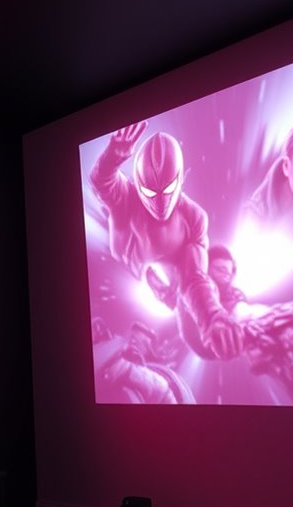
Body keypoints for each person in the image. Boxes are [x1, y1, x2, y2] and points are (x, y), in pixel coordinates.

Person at [88, 120, 241, 360]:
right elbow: (101, 182)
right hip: (135, 263)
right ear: (139, 185)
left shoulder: (193, 217)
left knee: (190, 279)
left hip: (172, 278)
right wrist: (111, 158)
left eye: (168, 190)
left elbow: (194, 277)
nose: (159, 202)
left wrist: (212, 316)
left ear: (180, 180)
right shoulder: (127, 198)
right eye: (150, 192)